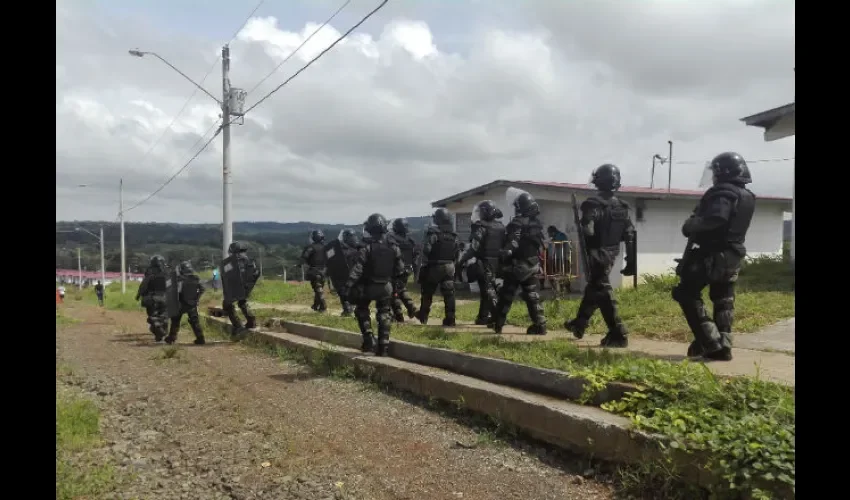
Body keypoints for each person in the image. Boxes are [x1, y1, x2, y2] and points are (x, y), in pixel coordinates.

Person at [672, 152, 756, 362]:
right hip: (734, 253)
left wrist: (691, 225)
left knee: (685, 293)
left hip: (713, 254)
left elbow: (717, 218)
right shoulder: (747, 196)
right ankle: (723, 344)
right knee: (723, 298)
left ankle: (711, 341)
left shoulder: (722, 193)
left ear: (724, 172)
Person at [564, 164, 637, 347]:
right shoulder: (622, 207)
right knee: (594, 287)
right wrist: (631, 261)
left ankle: (618, 332)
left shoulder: (592, 204)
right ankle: (580, 323)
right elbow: (630, 235)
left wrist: (585, 228)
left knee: (602, 291)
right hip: (612, 253)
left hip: (597, 253)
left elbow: (588, 227)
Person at [341, 213, 405, 356]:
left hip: (368, 287)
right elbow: (400, 270)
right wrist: (397, 286)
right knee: (384, 314)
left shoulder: (366, 248)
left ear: (370, 228)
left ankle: (369, 339)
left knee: (361, 310)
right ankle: (384, 348)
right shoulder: (394, 247)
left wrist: (348, 285)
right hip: (386, 286)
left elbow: (358, 269)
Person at [492, 190, 548, 335]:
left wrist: (504, 253)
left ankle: (498, 324)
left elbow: (514, 241)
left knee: (507, 294)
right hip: (533, 263)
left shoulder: (517, 223)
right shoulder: (536, 224)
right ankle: (540, 324)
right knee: (532, 295)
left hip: (518, 265)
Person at [458, 200, 505, 326]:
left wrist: (462, 260)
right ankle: (483, 317)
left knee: (488, 290)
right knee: (487, 290)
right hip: (497, 263)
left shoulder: (481, 226)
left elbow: (474, 248)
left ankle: (498, 317)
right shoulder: (501, 226)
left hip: (484, 262)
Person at [416, 208, 459, 327]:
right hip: (450, 266)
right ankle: (451, 319)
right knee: (449, 294)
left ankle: (423, 316)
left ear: (438, 219)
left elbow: (427, 250)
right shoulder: (453, 235)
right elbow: (456, 252)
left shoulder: (433, 233)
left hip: (435, 266)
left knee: (427, 292)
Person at [222, 241, 260, 338]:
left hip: (234, 287)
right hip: (246, 287)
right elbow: (256, 273)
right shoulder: (250, 261)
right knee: (242, 301)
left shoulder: (230, 263)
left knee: (227, 304)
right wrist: (248, 286)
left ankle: (238, 326)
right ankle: (251, 321)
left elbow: (225, 275)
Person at [165, 261, 206, 345]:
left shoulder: (179, 279)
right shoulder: (196, 278)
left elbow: (176, 291)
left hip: (181, 304)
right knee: (195, 322)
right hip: (192, 304)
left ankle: (172, 338)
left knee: (175, 320)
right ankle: (200, 338)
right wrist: (197, 298)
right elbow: (203, 289)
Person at [387, 218, 420, 322]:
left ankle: (399, 315)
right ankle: (411, 309)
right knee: (401, 289)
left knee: (392, 293)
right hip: (406, 271)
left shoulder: (391, 239)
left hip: (394, 270)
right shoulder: (411, 240)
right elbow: (416, 256)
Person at [136, 255, 170, 342]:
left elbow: (143, 287)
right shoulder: (168, 274)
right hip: (165, 298)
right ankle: (161, 333)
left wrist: (139, 295)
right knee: (164, 317)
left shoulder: (150, 275)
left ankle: (159, 333)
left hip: (153, 299)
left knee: (153, 317)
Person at [301, 230, 328, 312]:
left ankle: (323, 305)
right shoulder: (327, 247)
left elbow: (304, 257)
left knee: (317, 288)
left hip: (314, 270)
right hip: (324, 271)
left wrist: (299, 264)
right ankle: (316, 305)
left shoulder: (311, 247)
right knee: (319, 287)